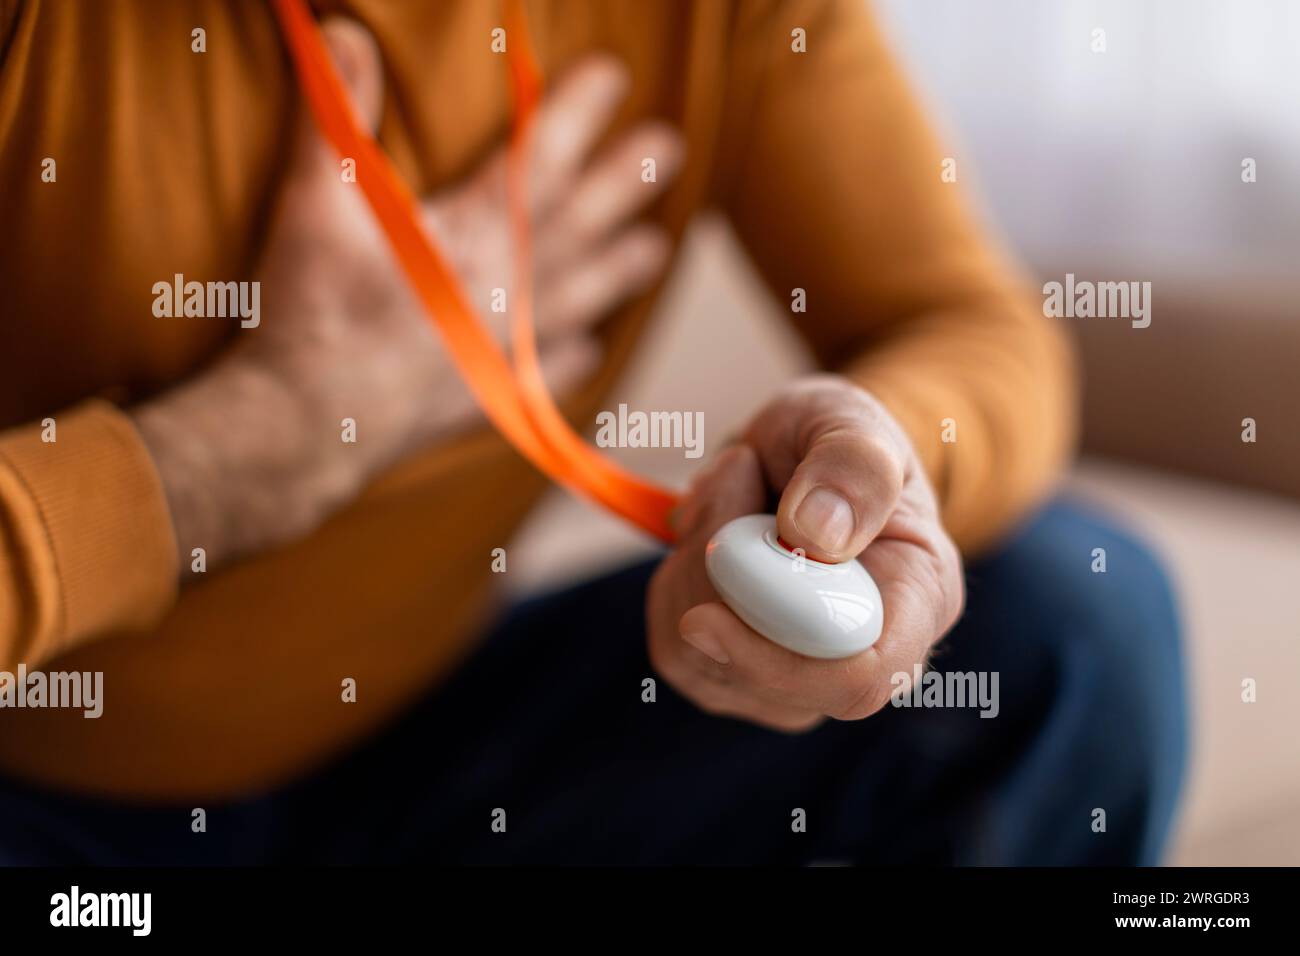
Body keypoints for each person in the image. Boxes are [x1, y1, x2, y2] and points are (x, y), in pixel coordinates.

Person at [0, 0, 1185, 864]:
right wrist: (237, 449)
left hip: (429, 747)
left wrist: (884, 461)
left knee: (1075, 627)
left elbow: (975, 330)